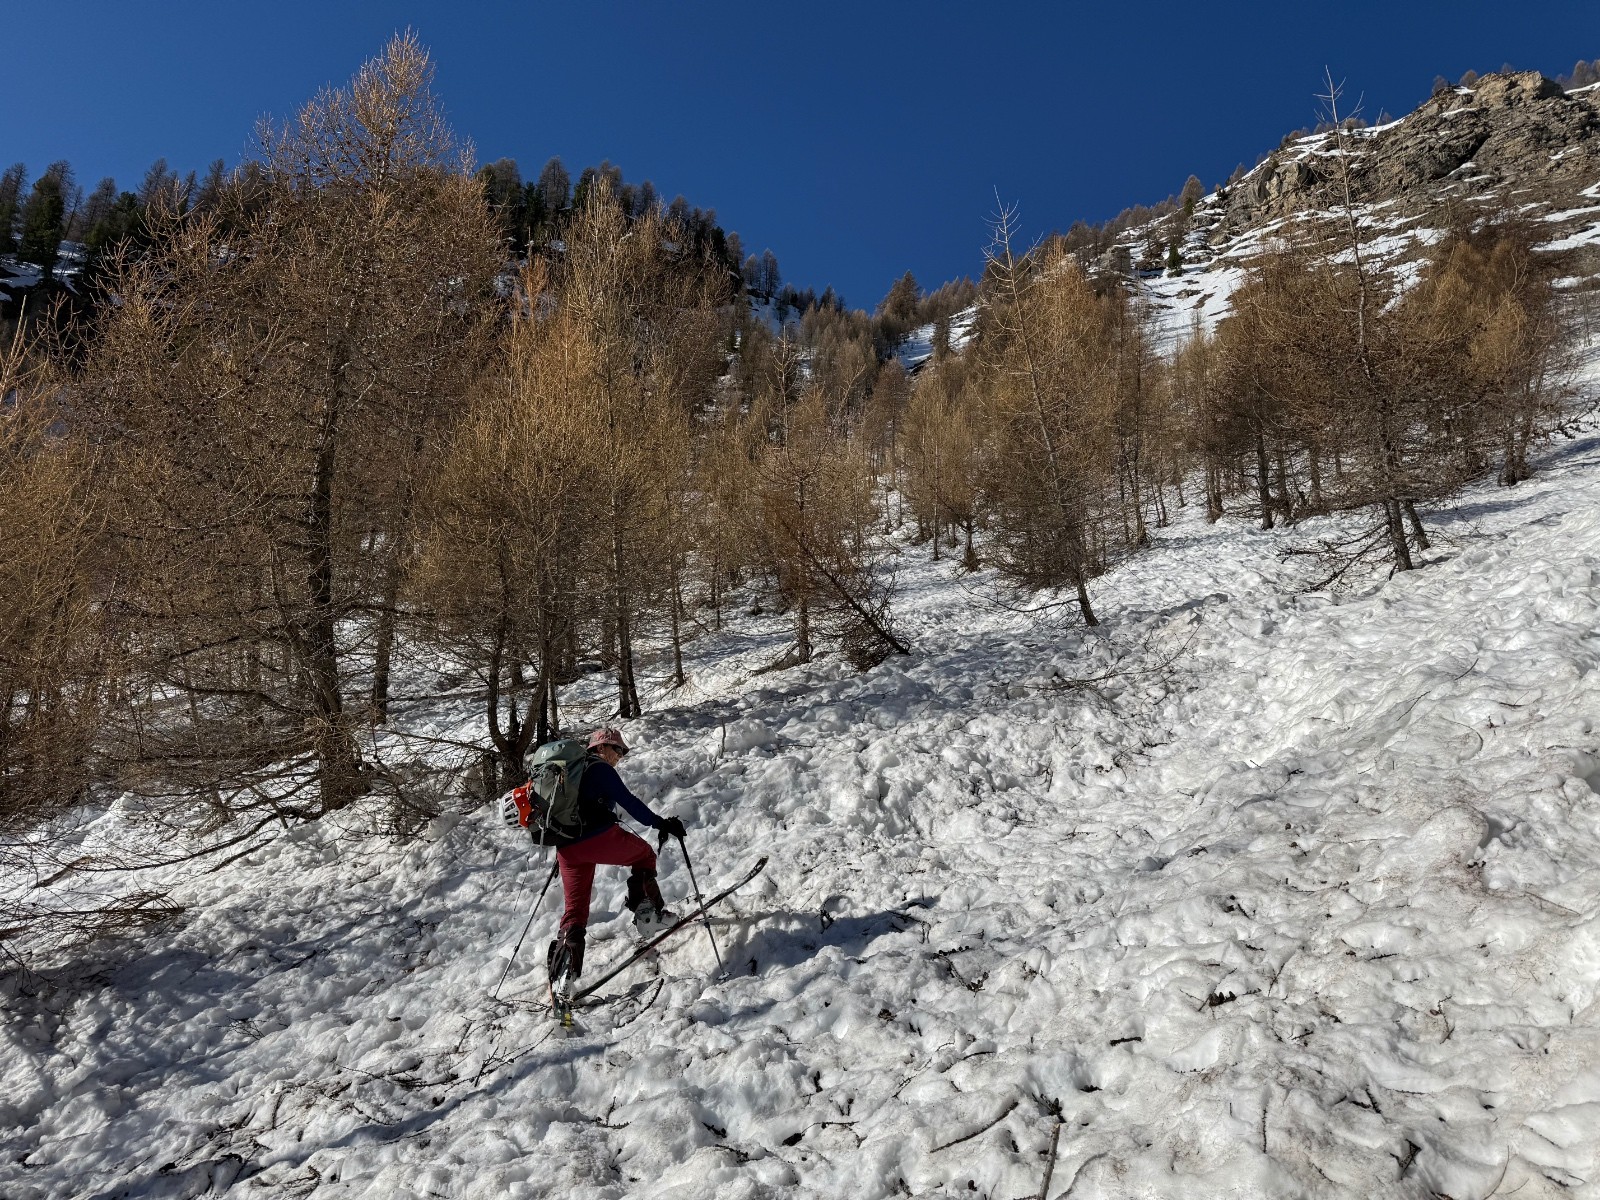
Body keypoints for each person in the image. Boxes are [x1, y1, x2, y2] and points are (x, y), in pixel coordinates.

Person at [546, 727, 686, 990]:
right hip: (596, 837)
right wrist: (660, 823)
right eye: (616, 749)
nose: (619, 757)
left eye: (621, 752)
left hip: (567, 849)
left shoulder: (568, 776)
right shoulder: (598, 769)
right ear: (600, 747)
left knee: (574, 913)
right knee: (644, 855)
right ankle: (649, 915)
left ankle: (563, 978)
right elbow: (629, 802)